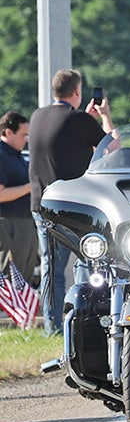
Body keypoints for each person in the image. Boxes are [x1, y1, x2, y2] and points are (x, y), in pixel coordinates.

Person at [29, 69, 113, 334]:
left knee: (51, 269)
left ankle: (53, 327)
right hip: (75, 209)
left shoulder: (37, 116)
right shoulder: (79, 120)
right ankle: (86, 322)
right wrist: (105, 117)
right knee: (89, 261)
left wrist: (85, 120)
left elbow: (63, 141)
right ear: (77, 92)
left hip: (41, 206)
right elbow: (112, 148)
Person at [0, 111, 38, 290]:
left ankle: (21, 317)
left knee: (24, 280)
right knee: (11, 279)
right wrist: (31, 187)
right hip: (8, 225)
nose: (27, 139)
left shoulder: (18, 156)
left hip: (25, 223)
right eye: (23, 134)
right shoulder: (1, 155)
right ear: (8, 132)